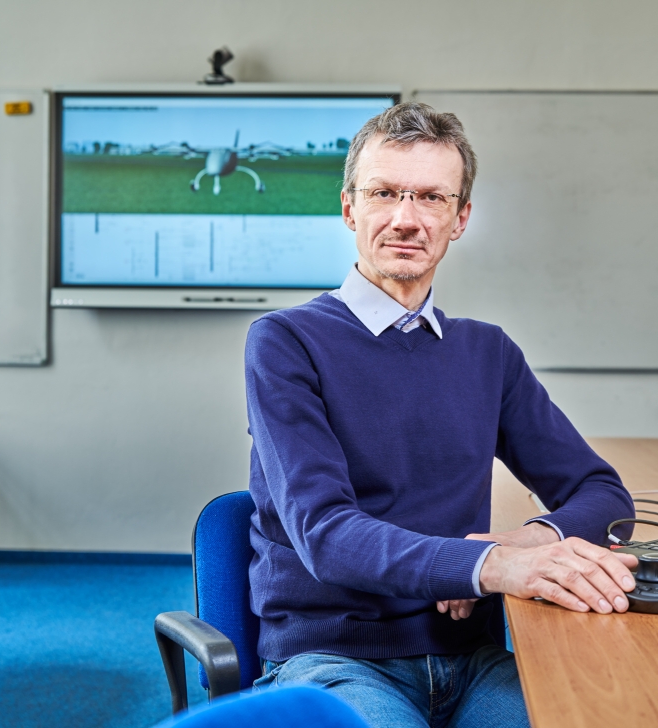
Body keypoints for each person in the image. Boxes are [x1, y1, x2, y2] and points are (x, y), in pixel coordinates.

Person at [244, 102, 637, 728]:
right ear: (349, 207)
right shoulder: (286, 342)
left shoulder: (488, 351)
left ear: (460, 218)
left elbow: (604, 496)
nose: (405, 218)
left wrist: (520, 542)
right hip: (336, 659)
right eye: (384, 193)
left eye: (430, 198)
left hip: (471, 657)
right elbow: (325, 534)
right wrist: (485, 566)